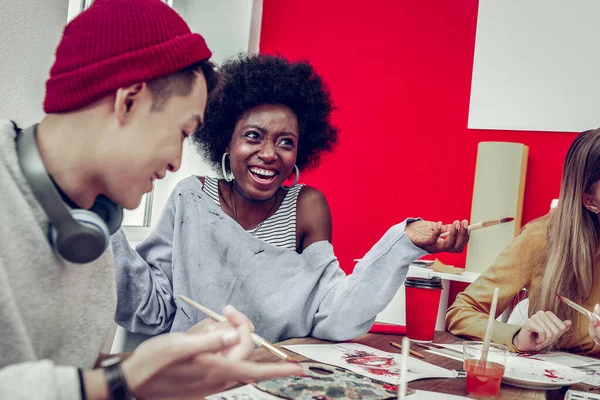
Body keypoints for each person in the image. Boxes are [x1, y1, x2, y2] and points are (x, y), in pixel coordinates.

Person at [0, 2, 299, 399]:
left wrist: (161, 364)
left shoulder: (92, 224)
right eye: (180, 130)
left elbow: (60, 373)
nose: (176, 161)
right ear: (128, 101)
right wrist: (120, 379)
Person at [112, 54, 470, 344]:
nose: (269, 154)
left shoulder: (306, 207)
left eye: (286, 142)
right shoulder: (192, 198)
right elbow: (154, 308)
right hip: (194, 379)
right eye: (253, 136)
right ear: (227, 141)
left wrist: (403, 242)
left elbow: (333, 314)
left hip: (270, 382)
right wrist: (101, 222)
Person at [446, 128, 600, 355]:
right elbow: (461, 312)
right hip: (558, 382)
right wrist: (516, 336)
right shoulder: (541, 239)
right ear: (590, 201)